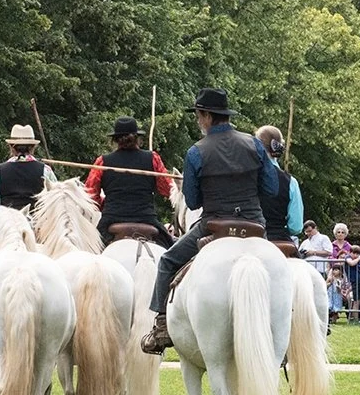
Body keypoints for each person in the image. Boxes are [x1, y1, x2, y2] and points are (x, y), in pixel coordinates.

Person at [140, 87, 277, 354]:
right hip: (254, 226)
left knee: (168, 261)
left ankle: (161, 326)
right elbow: (270, 188)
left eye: (198, 116)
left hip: (214, 223)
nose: (198, 121)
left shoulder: (196, 152)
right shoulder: (254, 144)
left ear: (206, 116)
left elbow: (192, 202)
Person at [85, 115, 172, 247]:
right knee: (171, 255)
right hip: (147, 219)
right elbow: (168, 189)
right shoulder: (152, 158)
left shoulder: (102, 162)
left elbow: (90, 196)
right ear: (137, 138)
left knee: (89, 252)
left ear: (115, 140)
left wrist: (105, 204)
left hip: (111, 219)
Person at [0, 123, 58, 212]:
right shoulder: (46, 170)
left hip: (7, 221)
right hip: (36, 222)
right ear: (33, 147)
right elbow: (55, 200)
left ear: (11, 147)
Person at [253, 124, 303, 245]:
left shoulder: (245, 176)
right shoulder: (291, 182)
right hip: (278, 239)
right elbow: (296, 227)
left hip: (249, 238)